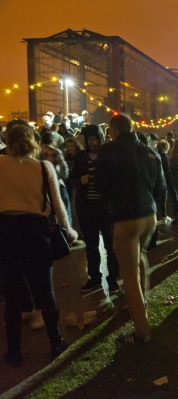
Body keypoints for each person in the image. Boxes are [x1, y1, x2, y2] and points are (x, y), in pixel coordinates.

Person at [0, 124, 77, 365]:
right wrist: (70, 231)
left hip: (6, 234)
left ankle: (14, 351)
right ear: (33, 142)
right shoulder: (44, 167)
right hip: (37, 235)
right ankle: (56, 343)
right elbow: (58, 205)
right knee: (45, 292)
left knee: (12, 298)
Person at [95, 114, 165, 344]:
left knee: (129, 276)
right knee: (140, 258)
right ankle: (140, 303)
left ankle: (141, 332)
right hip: (149, 214)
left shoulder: (108, 151)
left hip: (125, 217)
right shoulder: (149, 150)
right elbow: (160, 185)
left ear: (114, 129)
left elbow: (101, 186)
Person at [72, 124, 120, 294]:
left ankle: (113, 278)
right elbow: (72, 180)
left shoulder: (108, 156)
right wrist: (80, 182)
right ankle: (94, 278)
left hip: (105, 207)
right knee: (91, 245)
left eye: (95, 138)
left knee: (110, 244)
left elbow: (117, 180)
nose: (93, 142)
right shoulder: (80, 157)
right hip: (86, 207)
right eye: (90, 139)